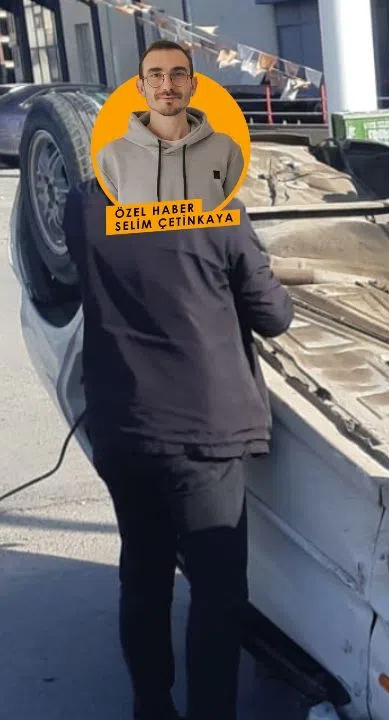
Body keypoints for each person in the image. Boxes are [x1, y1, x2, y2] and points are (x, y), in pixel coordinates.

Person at [62, 177, 293, 720]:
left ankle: (151, 705)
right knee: (217, 595)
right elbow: (274, 316)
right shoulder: (216, 209)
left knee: (143, 574)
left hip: (123, 426)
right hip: (202, 435)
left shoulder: (85, 205)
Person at [97, 39, 245, 209]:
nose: (167, 86)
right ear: (141, 88)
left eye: (178, 74)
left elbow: (239, 217)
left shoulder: (226, 150)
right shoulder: (111, 157)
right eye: (155, 75)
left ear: (193, 85)